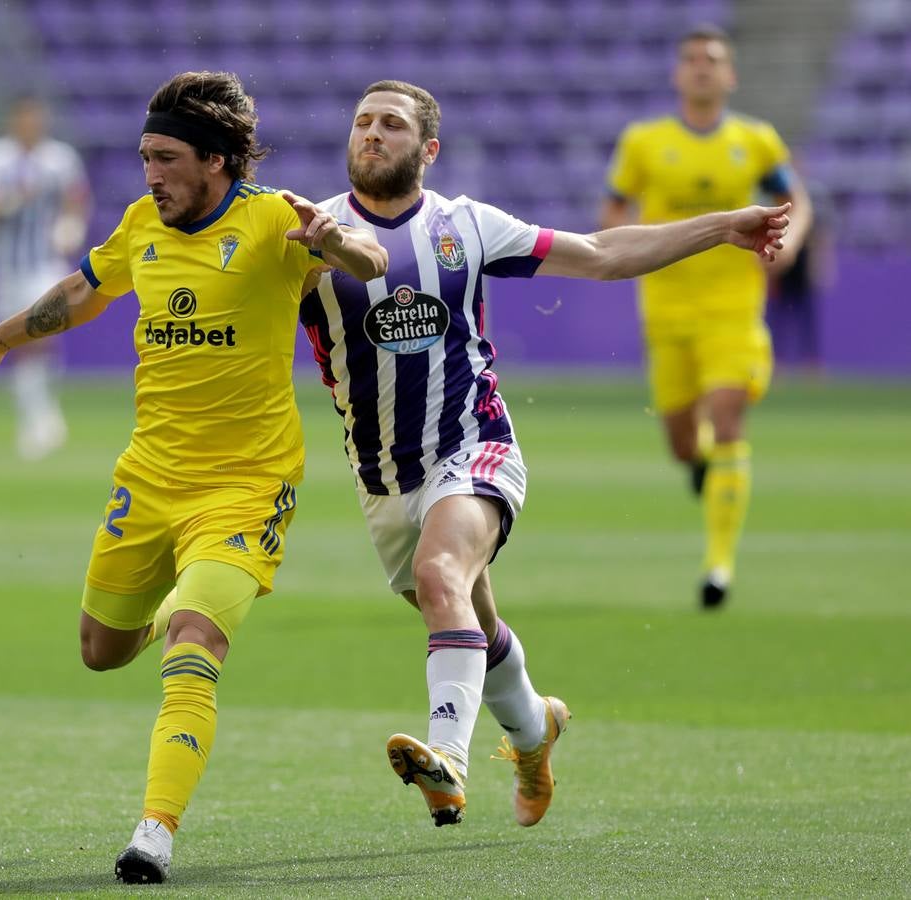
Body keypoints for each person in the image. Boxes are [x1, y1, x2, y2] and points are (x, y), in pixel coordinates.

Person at [298, 80, 790, 830]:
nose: (371, 133)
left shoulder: (464, 224)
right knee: (465, 615)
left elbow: (598, 253)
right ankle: (535, 732)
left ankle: (447, 760)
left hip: (474, 446)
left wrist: (721, 225)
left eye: (391, 124)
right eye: (361, 121)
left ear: (426, 150)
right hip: (382, 476)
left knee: (439, 577)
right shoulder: (308, 233)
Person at [0, 71, 387, 884]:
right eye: (146, 156)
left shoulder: (275, 221)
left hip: (246, 483)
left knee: (194, 644)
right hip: (149, 477)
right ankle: (175, 603)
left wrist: (331, 239)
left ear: (215, 160)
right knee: (100, 652)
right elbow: (82, 289)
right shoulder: (142, 223)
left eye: (165, 158)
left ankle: (155, 830)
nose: (150, 173)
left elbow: (369, 255)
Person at [600, 25, 812, 608]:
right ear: (678, 74)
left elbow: (797, 197)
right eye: (691, 60)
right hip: (666, 311)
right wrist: (624, 248)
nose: (701, 68)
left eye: (712, 61)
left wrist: (791, 241)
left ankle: (718, 566)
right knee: (682, 441)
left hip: (733, 309)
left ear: (729, 75)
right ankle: (700, 466)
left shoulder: (755, 140)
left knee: (727, 413)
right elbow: (614, 208)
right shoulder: (644, 142)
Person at [0, 95, 91, 459]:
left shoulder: (59, 159)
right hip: (7, 265)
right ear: (14, 120)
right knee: (18, 342)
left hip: (44, 263)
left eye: (35, 117)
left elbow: (77, 198)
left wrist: (71, 226)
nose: (30, 124)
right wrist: (7, 201)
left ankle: (44, 413)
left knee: (44, 330)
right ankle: (34, 416)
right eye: (24, 117)